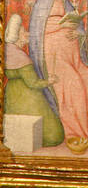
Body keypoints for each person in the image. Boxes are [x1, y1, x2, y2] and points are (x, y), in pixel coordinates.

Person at [29, 0, 88, 146]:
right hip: (54, 59)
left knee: (87, 78)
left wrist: (77, 32)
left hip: (73, 56)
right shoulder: (44, 3)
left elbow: (78, 28)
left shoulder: (68, 4)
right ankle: (77, 132)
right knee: (75, 84)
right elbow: (37, 31)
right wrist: (61, 26)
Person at [4, 14, 64, 147]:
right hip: (27, 97)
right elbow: (33, 83)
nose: (28, 34)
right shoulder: (21, 57)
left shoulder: (7, 50)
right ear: (17, 36)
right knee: (56, 135)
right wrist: (50, 81)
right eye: (24, 31)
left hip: (11, 94)